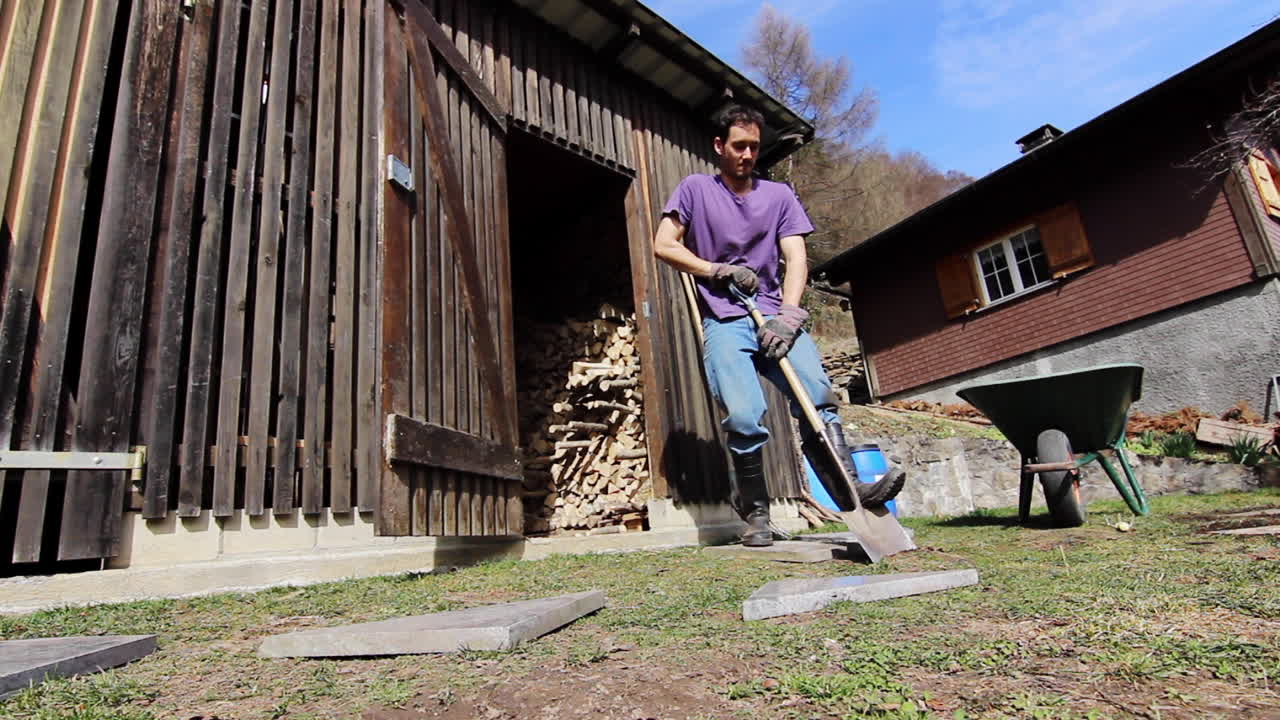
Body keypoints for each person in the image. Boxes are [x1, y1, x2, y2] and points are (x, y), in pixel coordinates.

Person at [652, 104, 905, 547]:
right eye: (739, 146)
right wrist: (715, 270)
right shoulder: (695, 190)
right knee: (746, 416)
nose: (748, 154)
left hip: (774, 313)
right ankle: (755, 512)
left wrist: (788, 317)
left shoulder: (779, 196)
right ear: (719, 146)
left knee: (818, 398)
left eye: (753, 146)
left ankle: (853, 491)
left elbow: (796, 258)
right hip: (726, 319)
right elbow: (663, 245)